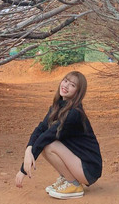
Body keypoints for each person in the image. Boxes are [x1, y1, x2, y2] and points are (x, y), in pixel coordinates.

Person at [15, 71, 102, 199]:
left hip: (88, 168)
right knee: (46, 144)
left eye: (72, 85)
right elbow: (41, 128)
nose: (66, 85)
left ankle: (73, 184)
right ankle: (68, 178)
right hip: (78, 162)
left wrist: (23, 170)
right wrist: (28, 149)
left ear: (78, 92)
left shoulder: (74, 114)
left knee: (49, 145)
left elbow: (46, 137)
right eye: (65, 81)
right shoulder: (58, 106)